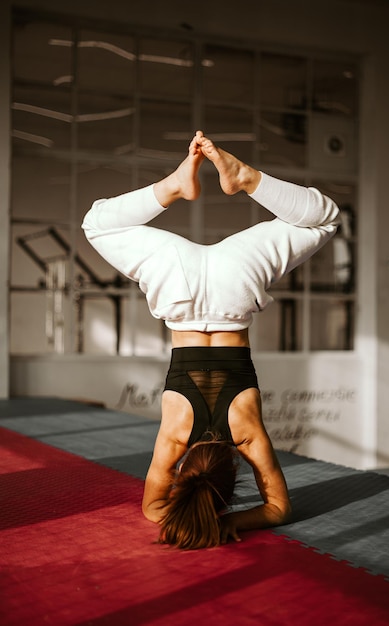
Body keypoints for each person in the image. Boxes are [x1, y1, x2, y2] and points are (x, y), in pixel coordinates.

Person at [82, 130, 340, 549]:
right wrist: (194, 512)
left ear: (233, 474)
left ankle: (245, 177)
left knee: (325, 217)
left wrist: (229, 520)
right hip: (177, 285)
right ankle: (177, 184)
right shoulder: (175, 436)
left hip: (234, 283)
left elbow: (277, 509)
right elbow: (152, 509)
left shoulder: (247, 435)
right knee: (96, 224)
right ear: (186, 472)